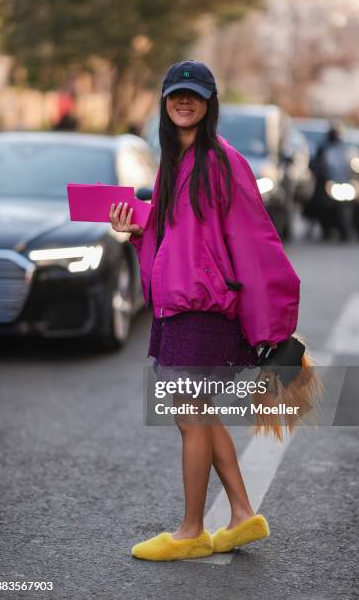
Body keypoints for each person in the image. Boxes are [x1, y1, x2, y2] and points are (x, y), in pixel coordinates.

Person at [109, 60, 301, 561]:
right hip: (179, 307)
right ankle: (241, 515)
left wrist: (272, 316)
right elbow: (177, 237)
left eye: (194, 95)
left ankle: (191, 530)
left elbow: (254, 237)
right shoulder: (176, 163)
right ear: (165, 102)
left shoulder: (220, 160)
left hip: (205, 307)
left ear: (209, 104)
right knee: (195, 414)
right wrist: (137, 231)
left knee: (191, 417)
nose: (184, 102)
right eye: (176, 95)